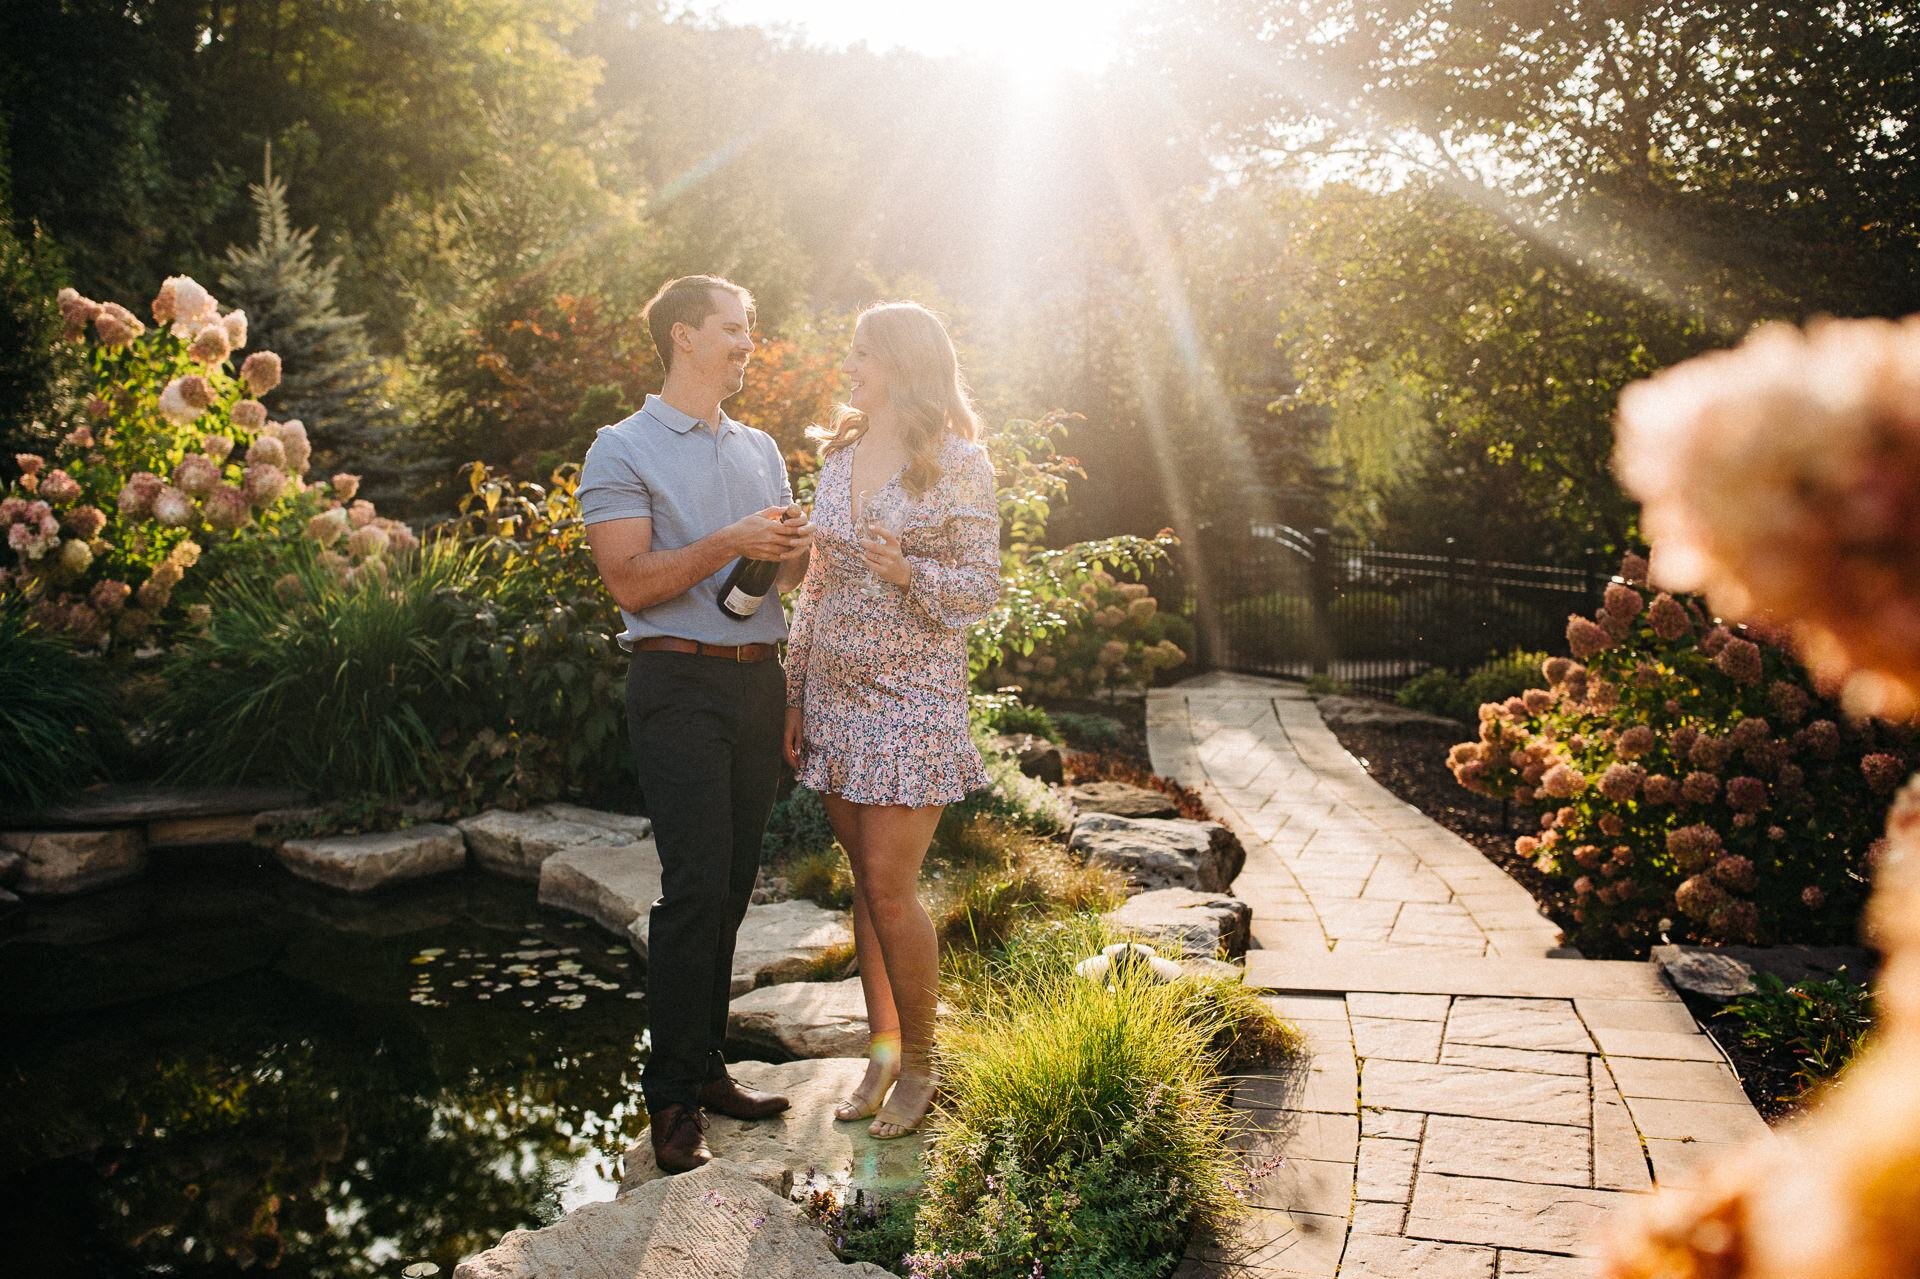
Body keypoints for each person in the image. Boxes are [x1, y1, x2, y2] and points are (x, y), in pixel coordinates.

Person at [578, 274, 813, 1174]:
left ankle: (706, 1065)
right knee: (693, 886)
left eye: (750, 328)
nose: (749, 342)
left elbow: (778, 585)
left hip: (758, 683)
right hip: (675, 682)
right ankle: (671, 1099)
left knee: (735, 881)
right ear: (684, 336)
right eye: (733, 328)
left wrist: (788, 554)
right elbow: (632, 581)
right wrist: (731, 541)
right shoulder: (621, 447)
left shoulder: (760, 447)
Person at [783, 302, 1002, 1139]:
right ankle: (881, 1050)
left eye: (862, 352)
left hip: (914, 701)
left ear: (904, 365)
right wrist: (796, 693)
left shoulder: (960, 461)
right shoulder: (840, 456)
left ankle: (922, 1065)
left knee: (890, 886)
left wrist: (910, 571)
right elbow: (818, 584)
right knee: (864, 889)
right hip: (836, 700)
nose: (849, 366)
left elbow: (981, 587)